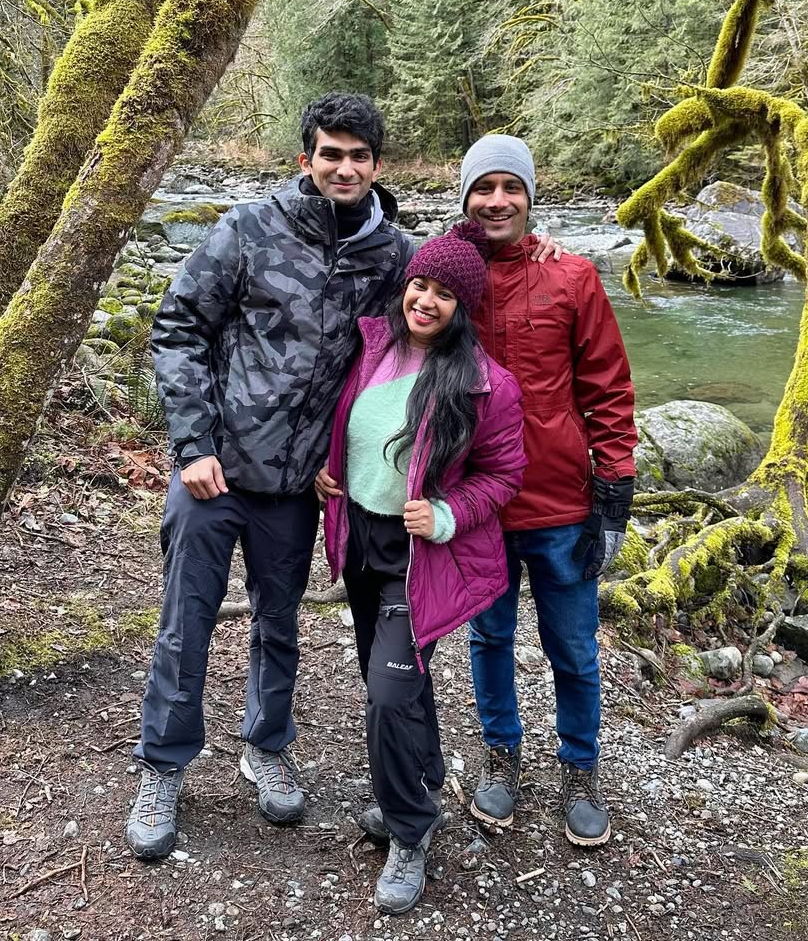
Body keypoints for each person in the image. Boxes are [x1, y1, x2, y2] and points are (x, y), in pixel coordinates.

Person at [125, 93, 416, 860]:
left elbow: (440, 315)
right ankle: (163, 766)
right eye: (331, 154)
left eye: (358, 156)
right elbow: (178, 327)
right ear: (305, 159)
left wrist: (532, 247)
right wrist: (192, 445)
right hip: (213, 475)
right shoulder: (248, 229)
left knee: (278, 625)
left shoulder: (392, 257)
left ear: (376, 166)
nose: (344, 168)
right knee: (186, 623)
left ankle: (267, 746)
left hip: (295, 487)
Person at [315, 221, 525, 914]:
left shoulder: (485, 385)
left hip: (421, 558)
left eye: (444, 294)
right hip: (361, 541)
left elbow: (504, 476)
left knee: (386, 691)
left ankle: (410, 828)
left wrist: (446, 513)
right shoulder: (372, 346)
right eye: (420, 285)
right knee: (394, 684)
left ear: (463, 308)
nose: (425, 301)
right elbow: (350, 429)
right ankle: (424, 773)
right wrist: (328, 472)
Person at [461, 135, 638, 847]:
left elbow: (609, 387)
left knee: (574, 648)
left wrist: (614, 491)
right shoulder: (448, 276)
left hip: (562, 501)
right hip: (477, 502)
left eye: (511, 187)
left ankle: (580, 768)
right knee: (488, 636)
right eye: (483, 188)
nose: (497, 201)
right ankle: (500, 754)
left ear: (531, 197)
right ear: (465, 198)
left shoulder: (573, 275)